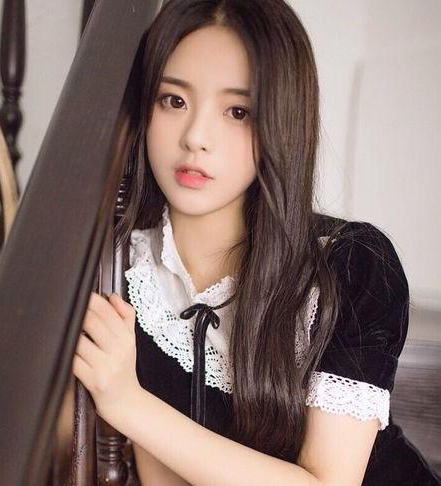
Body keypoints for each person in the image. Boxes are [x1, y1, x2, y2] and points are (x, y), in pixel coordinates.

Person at [72, 1, 441, 484]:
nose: (196, 137)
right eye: (174, 100)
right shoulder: (124, 265)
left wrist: (127, 403)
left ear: (281, 124)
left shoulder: (350, 266)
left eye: (237, 111)